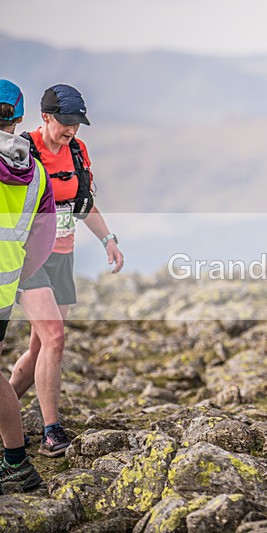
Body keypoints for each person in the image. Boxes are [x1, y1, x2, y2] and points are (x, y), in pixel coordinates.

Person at [11, 84, 124, 458]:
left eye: (77, 123)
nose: (71, 129)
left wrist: (108, 239)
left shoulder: (77, 150)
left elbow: (83, 203)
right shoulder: (22, 150)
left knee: (40, 347)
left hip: (62, 256)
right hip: (28, 259)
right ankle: (51, 432)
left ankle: (5, 409)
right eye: (65, 122)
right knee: (55, 337)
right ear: (45, 116)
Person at [0, 79, 55, 490]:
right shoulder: (36, 173)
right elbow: (42, 241)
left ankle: (17, 462)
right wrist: (15, 276)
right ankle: (16, 461)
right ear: (19, 119)